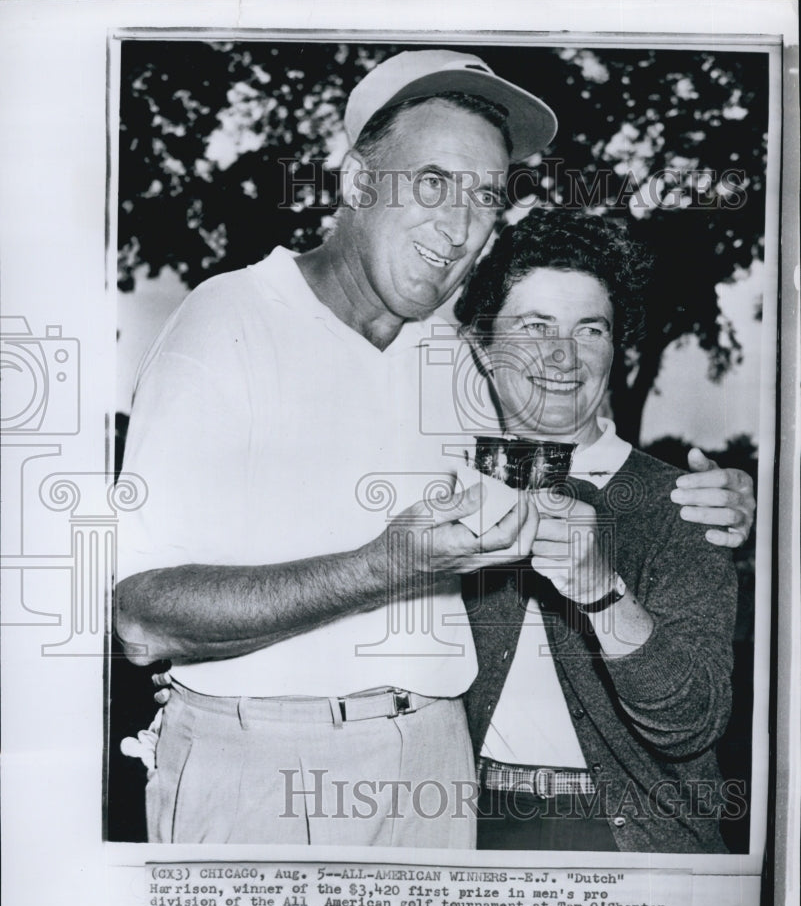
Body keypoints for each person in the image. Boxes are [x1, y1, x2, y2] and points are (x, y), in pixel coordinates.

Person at [116, 49, 755, 848]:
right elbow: (142, 622)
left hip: (439, 766)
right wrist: (383, 566)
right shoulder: (226, 323)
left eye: (486, 197)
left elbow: (573, 432)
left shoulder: (458, 350)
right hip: (262, 765)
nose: (458, 227)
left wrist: (717, 496)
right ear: (355, 182)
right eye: (431, 183)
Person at [454, 208, 740, 852]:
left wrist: (600, 591)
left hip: (631, 839)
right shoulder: (443, 490)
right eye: (534, 327)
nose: (563, 355)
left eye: (591, 329)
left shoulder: (683, 505)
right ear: (481, 344)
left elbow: (692, 723)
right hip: (462, 830)